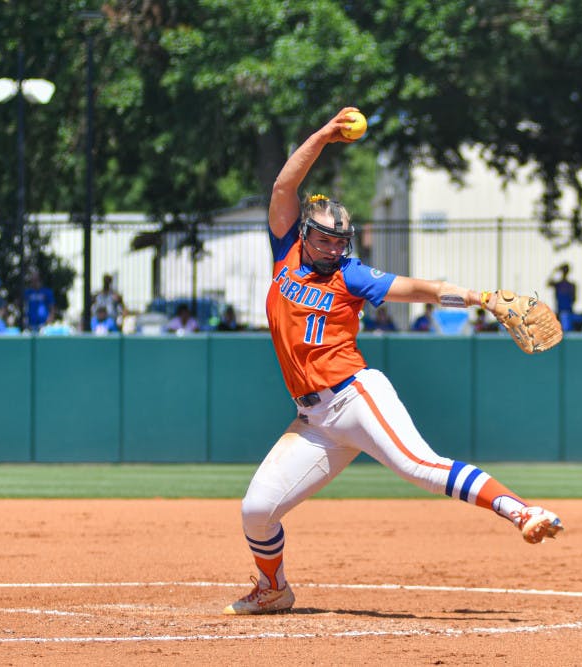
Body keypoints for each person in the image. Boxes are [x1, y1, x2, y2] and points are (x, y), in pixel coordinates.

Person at [223, 107, 563, 616]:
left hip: (354, 397)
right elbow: (281, 187)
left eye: (340, 240)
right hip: (312, 420)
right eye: (323, 238)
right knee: (257, 511)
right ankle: (274, 589)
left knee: (418, 465)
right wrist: (322, 136)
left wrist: (480, 297)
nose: (333, 246)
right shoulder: (284, 254)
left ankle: (522, 511)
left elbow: (416, 288)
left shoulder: (350, 275)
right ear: (302, 235)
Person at [547, 263, 577, 331]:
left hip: (568, 311)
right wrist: (554, 272)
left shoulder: (571, 285)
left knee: (566, 324)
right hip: (559, 311)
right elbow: (548, 283)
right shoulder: (558, 284)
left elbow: (574, 299)